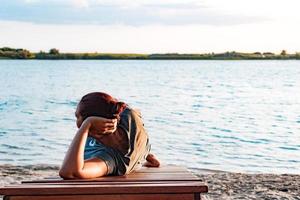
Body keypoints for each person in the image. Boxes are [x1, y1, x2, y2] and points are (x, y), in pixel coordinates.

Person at [59, 92, 160, 179]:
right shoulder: (128, 115)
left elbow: (70, 172)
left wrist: (86, 125)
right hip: (141, 146)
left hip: (135, 149)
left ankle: (145, 155)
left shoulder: (113, 160)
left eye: (77, 117)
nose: (77, 125)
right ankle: (146, 155)